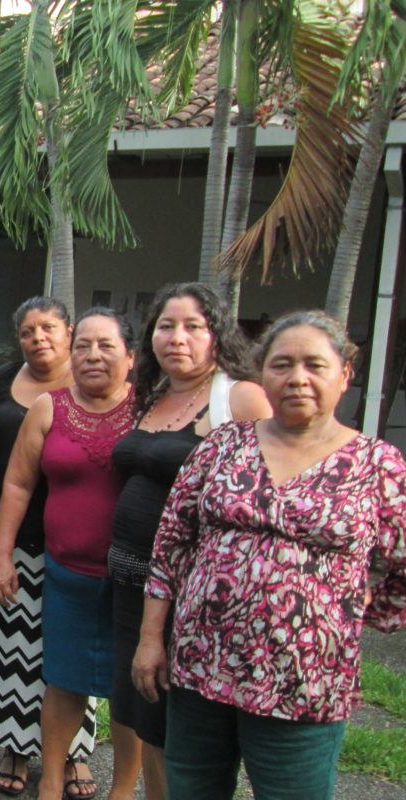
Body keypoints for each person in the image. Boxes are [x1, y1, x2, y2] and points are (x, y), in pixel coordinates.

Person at [133, 310, 406, 800]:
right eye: (282, 365)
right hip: (200, 666)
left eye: (314, 365)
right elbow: (172, 543)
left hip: (303, 682)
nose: (297, 378)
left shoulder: (377, 465)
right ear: (262, 374)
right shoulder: (222, 444)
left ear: (344, 374)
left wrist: (354, 608)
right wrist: (152, 638)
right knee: (191, 789)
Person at [108, 283, 269, 799]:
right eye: (166, 325)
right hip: (130, 585)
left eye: (193, 326)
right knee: (139, 714)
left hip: (190, 598)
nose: (177, 338)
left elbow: (271, 492)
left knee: (175, 724)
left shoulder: (239, 397)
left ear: (217, 335)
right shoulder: (154, 396)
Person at [0, 307, 137, 800]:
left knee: (129, 691)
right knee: (63, 679)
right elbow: (16, 482)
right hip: (66, 572)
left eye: (106, 345)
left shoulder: (149, 412)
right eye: (85, 347)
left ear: (132, 357)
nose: (93, 355)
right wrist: (3, 554)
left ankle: (123, 789)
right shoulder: (49, 408)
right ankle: (50, 781)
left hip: (133, 579)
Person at [0, 296, 99, 797]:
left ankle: (75, 750)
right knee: (11, 649)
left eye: (49, 328)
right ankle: (16, 746)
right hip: (7, 537)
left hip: (73, 542)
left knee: (70, 648)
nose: (39, 338)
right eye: (28, 331)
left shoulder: (93, 387)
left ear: (69, 330)